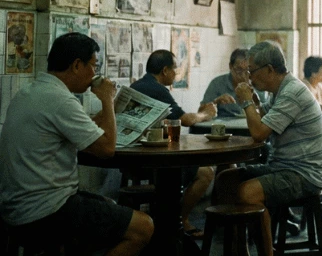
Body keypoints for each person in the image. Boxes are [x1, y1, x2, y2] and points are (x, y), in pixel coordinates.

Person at [0, 33, 153, 254]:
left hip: (15, 207)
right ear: (77, 65)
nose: (95, 74)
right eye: (94, 66)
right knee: (143, 227)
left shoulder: (32, 92)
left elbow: (85, 129)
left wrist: (109, 109)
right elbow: (107, 149)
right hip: (45, 211)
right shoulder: (61, 100)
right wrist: (107, 101)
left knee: (108, 206)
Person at [214, 41, 322, 255]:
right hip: (284, 167)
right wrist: (255, 103)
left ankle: (267, 253)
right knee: (226, 180)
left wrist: (247, 102)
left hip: (304, 173)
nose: (249, 77)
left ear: (269, 69)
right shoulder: (279, 91)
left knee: (248, 193)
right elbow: (264, 118)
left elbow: (258, 133)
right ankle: (241, 250)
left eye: (252, 71)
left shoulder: (292, 92)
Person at [130, 49, 218, 238]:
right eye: (175, 69)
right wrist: (206, 115)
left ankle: (167, 222)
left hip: (133, 159)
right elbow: (185, 119)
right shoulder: (157, 89)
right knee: (206, 173)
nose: (176, 73)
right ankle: (180, 222)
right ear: (164, 71)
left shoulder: (138, 85)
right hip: (150, 163)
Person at [202, 48, 266, 118]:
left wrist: (257, 103)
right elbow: (201, 112)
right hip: (225, 127)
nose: (243, 76)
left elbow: (267, 114)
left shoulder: (258, 84)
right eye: (239, 70)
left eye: (248, 70)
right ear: (230, 66)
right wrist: (215, 102)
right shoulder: (217, 83)